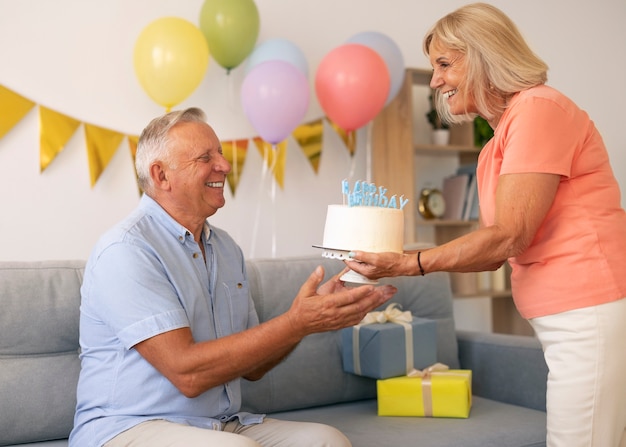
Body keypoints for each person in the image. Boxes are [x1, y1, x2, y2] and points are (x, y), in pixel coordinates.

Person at [346, 3, 626, 447]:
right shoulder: (495, 146)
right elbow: (489, 253)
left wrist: (405, 263)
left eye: (443, 64)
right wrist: (394, 262)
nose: (435, 80)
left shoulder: (539, 110)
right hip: (565, 319)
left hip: (586, 311)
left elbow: (508, 237)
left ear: (482, 56)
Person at [69, 107, 396, 447]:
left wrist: (307, 317)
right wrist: (296, 323)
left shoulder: (226, 249)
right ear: (161, 175)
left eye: (221, 154)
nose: (224, 166)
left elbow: (252, 368)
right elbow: (187, 373)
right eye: (205, 157)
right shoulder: (125, 250)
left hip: (218, 424)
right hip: (127, 428)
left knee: (328, 440)